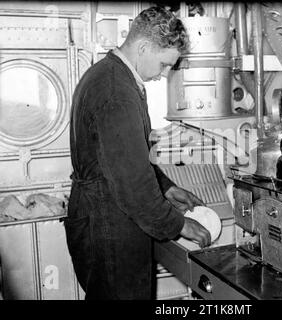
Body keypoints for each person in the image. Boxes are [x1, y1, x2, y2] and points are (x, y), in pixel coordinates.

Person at [65, 6, 211, 300]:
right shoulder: (116, 92)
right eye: (164, 64)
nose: (164, 74)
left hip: (105, 214)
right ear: (143, 47)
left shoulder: (110, 75)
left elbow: (127, 157)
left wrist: (166, 188)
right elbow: (132, 184)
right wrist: (181, 225)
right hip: (109, 224)